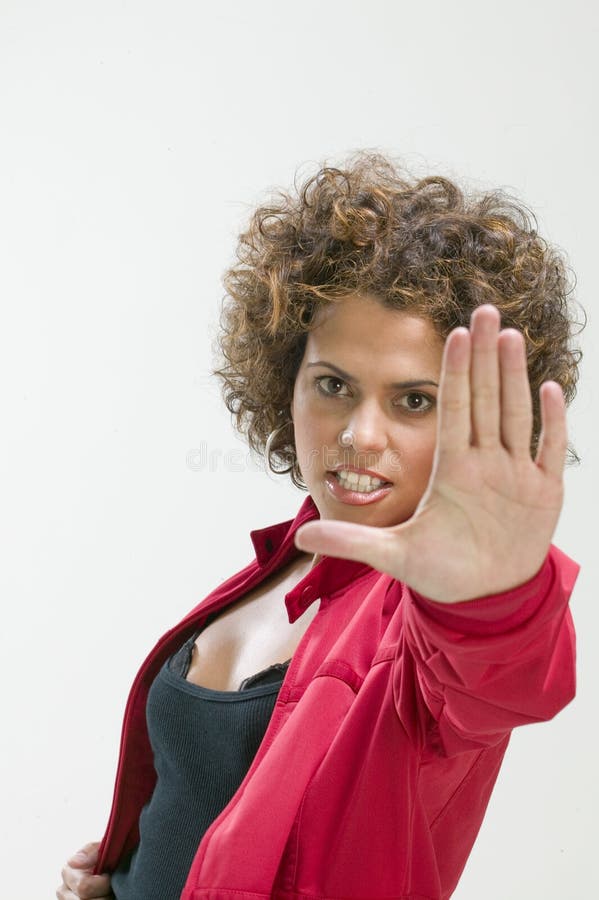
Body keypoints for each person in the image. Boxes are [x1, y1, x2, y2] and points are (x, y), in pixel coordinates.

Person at [57, 151, 584, 900]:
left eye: (413, 401)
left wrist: (494, 599)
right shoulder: (284, 563)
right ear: (284, 384)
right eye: (333, 385)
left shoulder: (429, 623)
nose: (361, 435)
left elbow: (501, 680)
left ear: (481, 414)